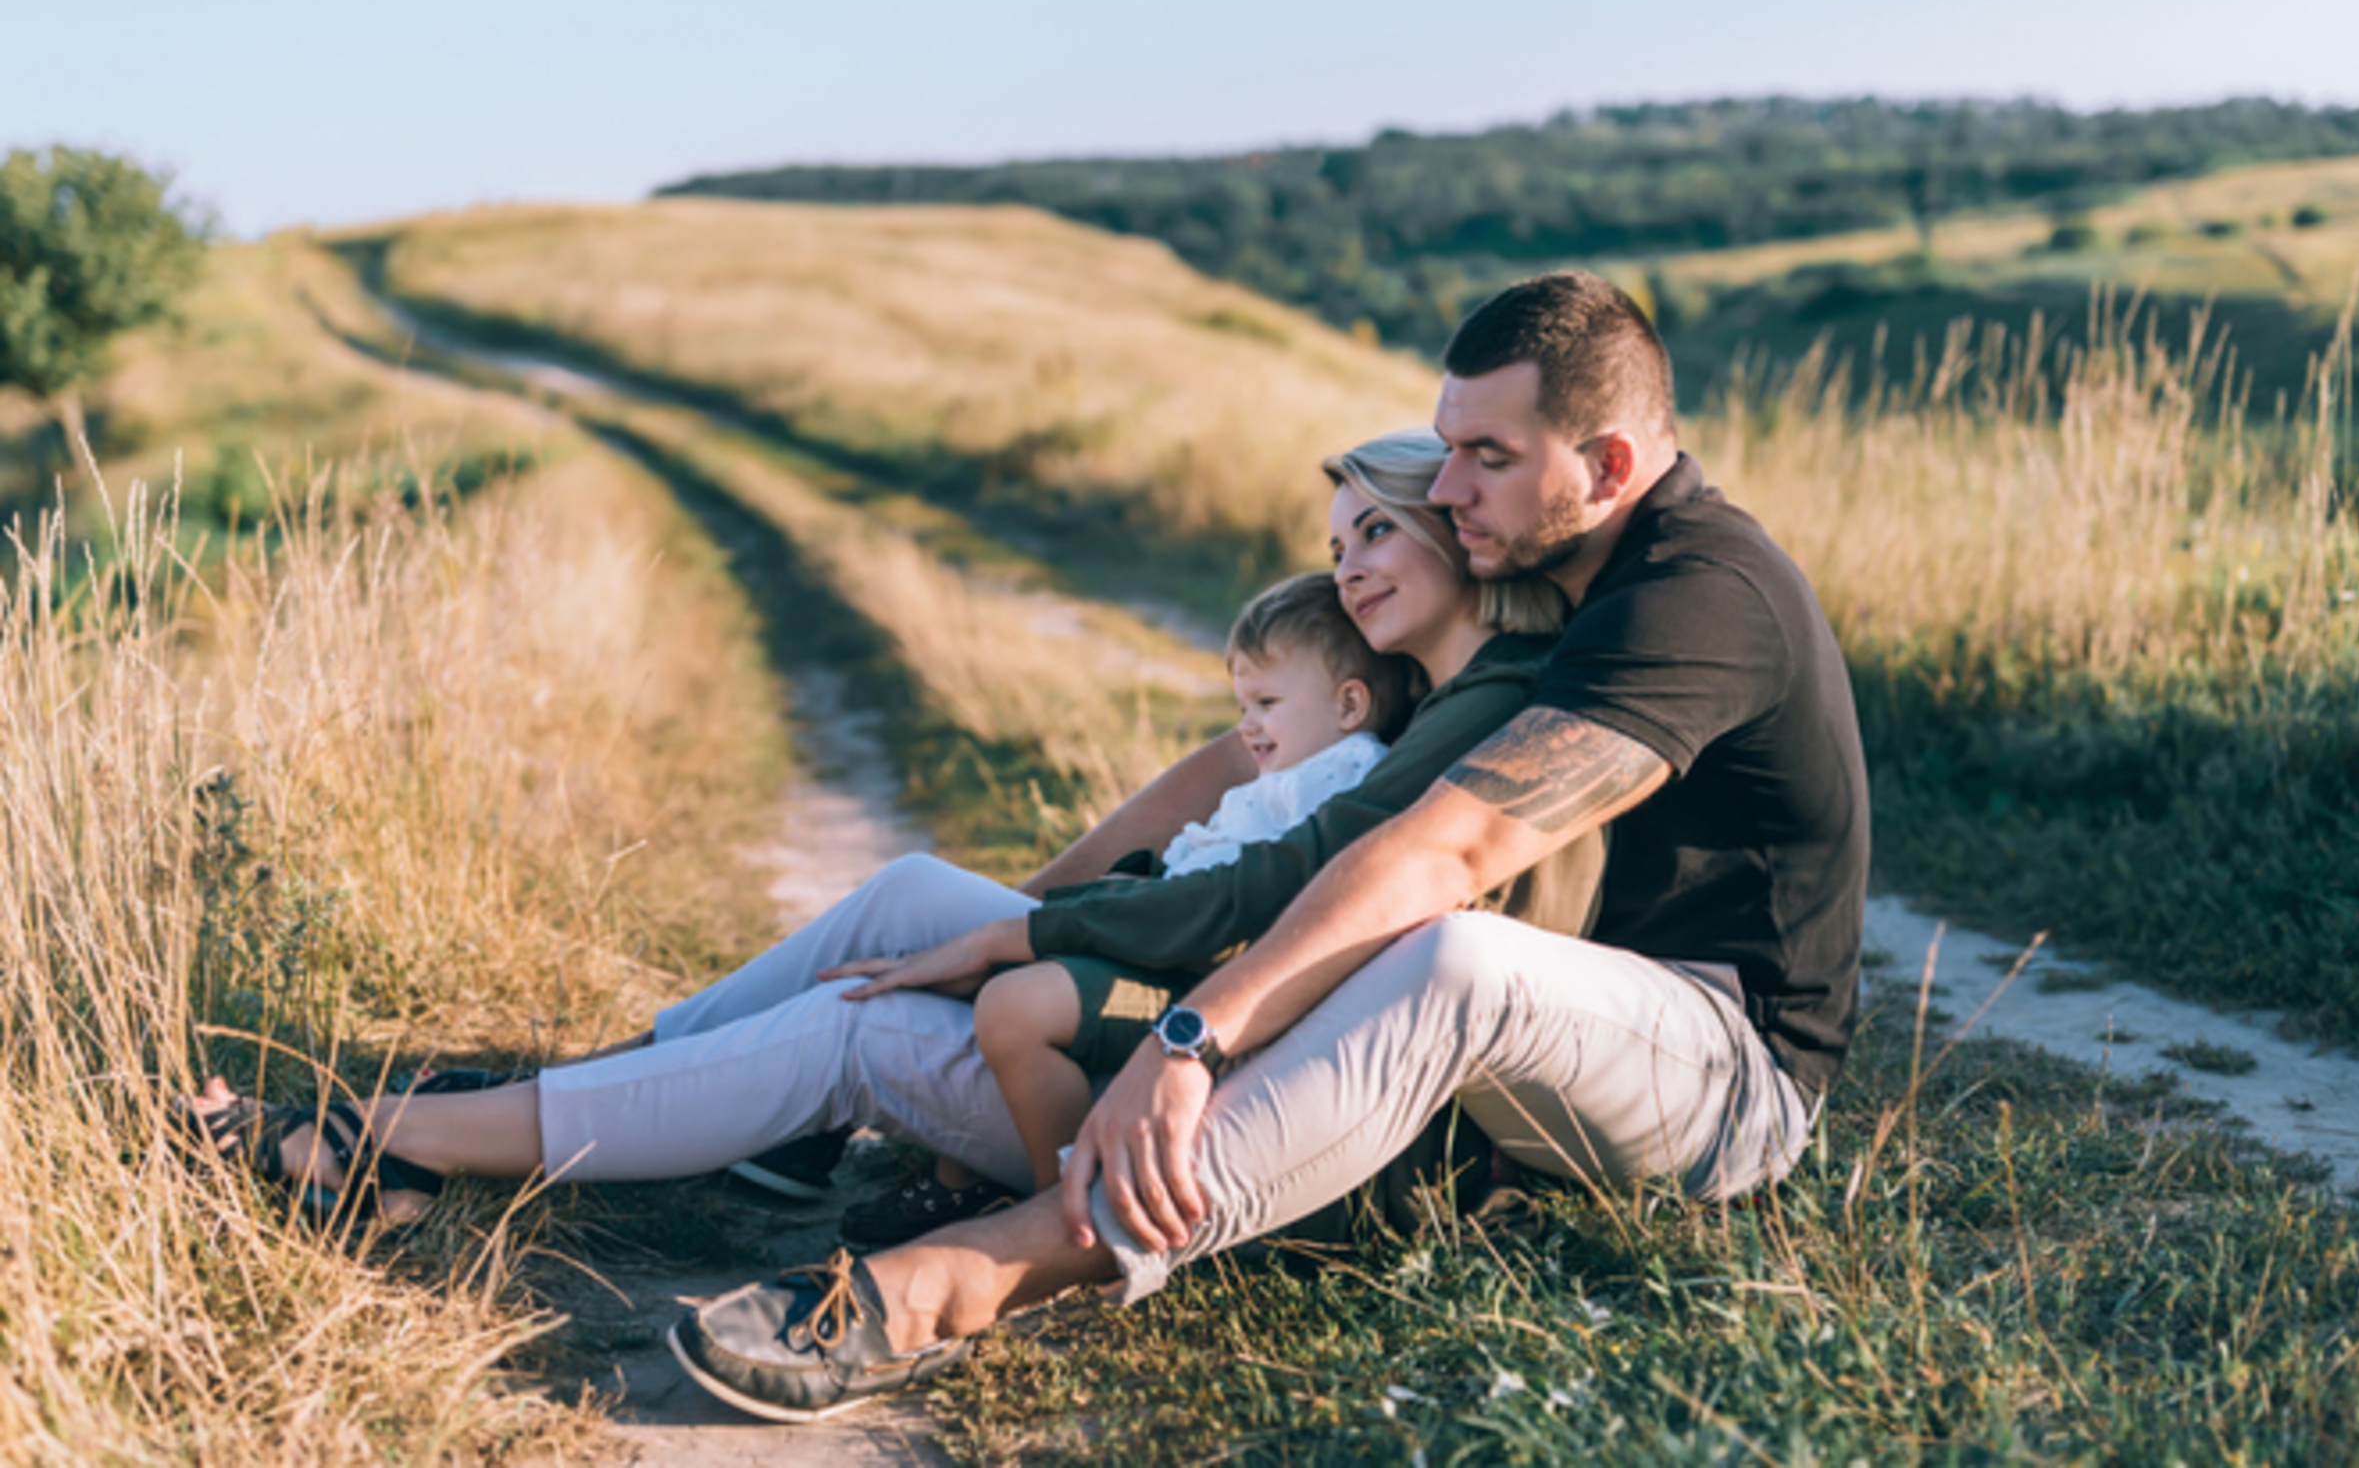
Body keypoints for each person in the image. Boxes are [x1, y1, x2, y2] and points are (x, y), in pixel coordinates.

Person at [662, 269, 1871, 1426]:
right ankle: (624, 1085)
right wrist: (1037, 911)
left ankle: (949, 1287)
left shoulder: (1697, 595)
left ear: (1609, 466)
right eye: (1447, 447)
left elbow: (1443, 853)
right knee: (933, 905)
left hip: (1724, 1074)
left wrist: (1195, 1036)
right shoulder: (1554, 580)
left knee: (1457, 957)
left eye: (1489, 457)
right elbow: (1264, 769)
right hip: (1531, 1066)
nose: (1448, 490)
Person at [179, 430, 1594, 1247]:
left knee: (853, 1024)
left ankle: (386, 1141)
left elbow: (1269, 890)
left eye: (1377, 538)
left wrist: (1012, 939)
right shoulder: (1410, 686)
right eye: (1339, 543)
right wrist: (1020, 900)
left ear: (1450, 539)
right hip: (1171, 1006)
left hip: (1226, 1086)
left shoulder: (1469, 708)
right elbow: (1224, 764)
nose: (1349, 569)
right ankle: (590, 1082)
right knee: (911, 891)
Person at [958, 571, 1410, 1197]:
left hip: (1204, 983)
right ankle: (960, 1173)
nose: (1247, 727)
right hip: (1166, 948)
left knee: (1013, 1007)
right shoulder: (1288, 774)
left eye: (1268, 705)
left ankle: (1058, 1200)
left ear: (1350, 706)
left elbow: (1248, 902)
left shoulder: (1343, 775)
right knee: (995, 980)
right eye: (1242, 706)